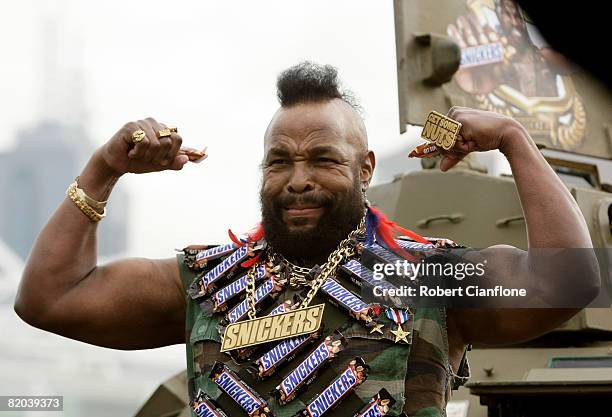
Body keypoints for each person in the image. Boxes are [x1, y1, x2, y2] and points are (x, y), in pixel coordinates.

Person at [14, 62, 599, 416]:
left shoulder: (422, 273)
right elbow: (50, 298)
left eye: (324, 159)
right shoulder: (209, 282)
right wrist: (103, 169)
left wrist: (514, 139)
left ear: (365, 167)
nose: (298, 181)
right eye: (279, 162)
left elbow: (567, 281)